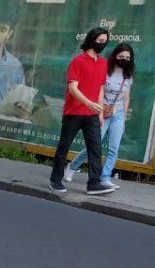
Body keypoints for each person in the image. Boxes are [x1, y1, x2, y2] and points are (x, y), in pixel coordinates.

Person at [49, 27, 115, 196]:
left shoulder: (103, 63)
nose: (102, 44)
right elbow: (73, 88)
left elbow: (100, 88)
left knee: (95, 149)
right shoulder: (78, 61)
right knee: (64, 147)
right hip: (74, 112)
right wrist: (89, 103)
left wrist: (99, 111)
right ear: (92, 40)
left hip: (92, 114)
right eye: (100, 40)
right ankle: (55, 180)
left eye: (105, 41)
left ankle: (94, 183)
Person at [66, 43, 134, 189]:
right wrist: (100, 111)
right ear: (115, 56)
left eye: (128, 58)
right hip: (101, 111)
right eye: (121, 56)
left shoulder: (127, 75)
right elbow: (98, 90)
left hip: (118, 113)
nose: (124, 59)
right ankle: (73, 166)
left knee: (114, 148)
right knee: (94, 145)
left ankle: (105, 177)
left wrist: (123, 120)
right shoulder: (105, 70)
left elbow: (126, 97)